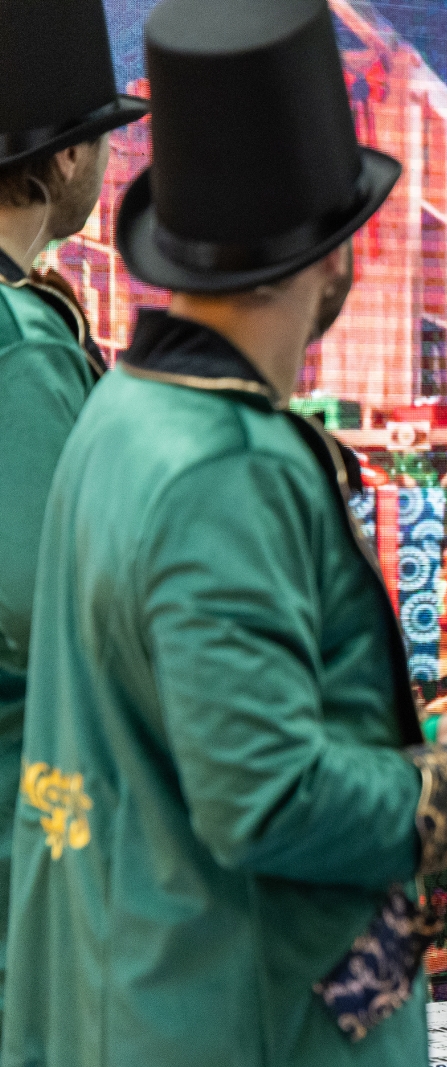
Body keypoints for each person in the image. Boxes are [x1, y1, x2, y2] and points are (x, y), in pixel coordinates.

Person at [3, 3, 447, 1065]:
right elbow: (263, 793)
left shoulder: (120, 416)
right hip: (232, 1012)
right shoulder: (222, 464)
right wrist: (443, 782)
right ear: (329, 259)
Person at [0, 0, 149, 1027]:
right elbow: (49, 600)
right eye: (99, 135)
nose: (109, 158)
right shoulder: (23, 338)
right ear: (54, 162)